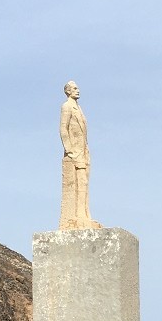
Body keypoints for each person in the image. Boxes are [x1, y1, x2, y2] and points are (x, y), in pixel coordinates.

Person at [59, 81, 101, 230]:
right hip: (75, 152)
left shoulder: (79, 108)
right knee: (80, 181)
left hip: (84, 151)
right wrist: (70, 150)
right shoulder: (66, 107)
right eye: (75, 88)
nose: (78, 90)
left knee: (84, 183)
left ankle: (84, 214)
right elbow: (63, 128)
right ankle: (79, 216)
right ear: (68, 91)